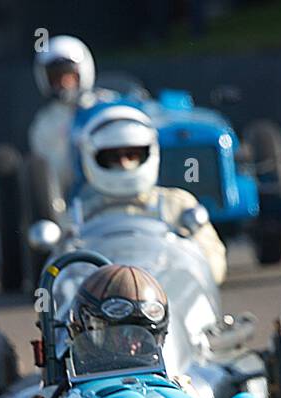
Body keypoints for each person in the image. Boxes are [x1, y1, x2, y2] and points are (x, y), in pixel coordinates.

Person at [73, 106, 228, 284]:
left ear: (149, 153)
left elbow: (213, 265)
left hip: (170, 299)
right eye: (113, 157)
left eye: (132, 155)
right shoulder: (80, 213)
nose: (124, 164)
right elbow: (65, 276)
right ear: (93, 157)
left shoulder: (177, 203)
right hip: (105, 302)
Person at [28, 36, 111, 192]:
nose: (64, 84)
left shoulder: (105, 106)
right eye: (56, 78)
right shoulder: (45, 123)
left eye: (69, 76)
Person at [64, 263, 170, 375]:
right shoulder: (64, 385)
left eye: (141, 335)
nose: (133, 346)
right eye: (122, 334)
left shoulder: (174, 386)